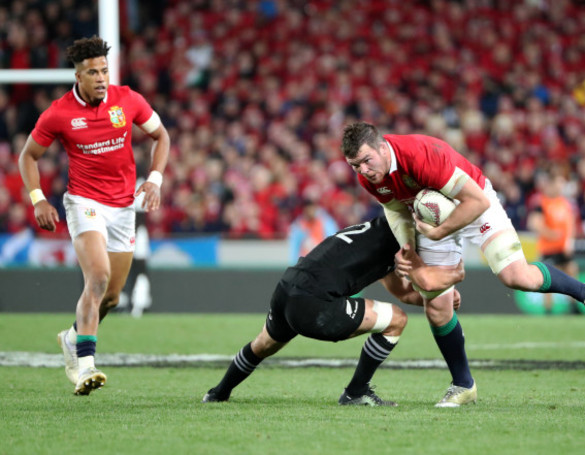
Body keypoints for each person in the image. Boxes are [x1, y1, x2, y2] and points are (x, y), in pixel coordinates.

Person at [341, 121, 585, 407]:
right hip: (430, 216)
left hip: (473, 204)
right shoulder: (369, 178)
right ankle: (463, 385)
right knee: (436, 307)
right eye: (355, 166)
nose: (363, 170)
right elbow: (396, 208)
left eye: (366, 160)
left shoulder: (420, 155)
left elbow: (476, 202)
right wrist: (409, 248)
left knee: (516, 276)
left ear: (383, 147)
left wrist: (438, 232)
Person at [18, 36, 170, 395]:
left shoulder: (128, 99)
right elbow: (28, 155)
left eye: (104, 70)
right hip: (84, 203)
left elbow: (161, 136)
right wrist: (38, 198)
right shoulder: (58, 113)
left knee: (112, 297)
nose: (101, 78)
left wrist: (154, 180)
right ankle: (84, 364)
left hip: (123, 207)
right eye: (92, 72)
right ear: (78, 76)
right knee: (97, 277)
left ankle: (72, 337)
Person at [202, 216, 464, 406]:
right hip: (314, 302)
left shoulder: (378, 230)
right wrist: (447, 284)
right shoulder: (403, 240)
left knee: (263, 344)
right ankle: (356, 391)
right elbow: (424, 281)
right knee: (397, 320)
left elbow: (404, 292)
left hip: (287, 287)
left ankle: (217, 393)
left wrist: (431, 298)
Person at [527, 172, 580, 314]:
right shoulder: (542, 202)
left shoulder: (564, 203)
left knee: (571, 273)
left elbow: (571, 224)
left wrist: (570, 241)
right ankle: (548, 309)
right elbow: (533, 223)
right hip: (548, 248)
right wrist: (550, 234)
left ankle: (573, 307)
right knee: (549, 279)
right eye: (559, 182)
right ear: (551, 184)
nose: (561, 186)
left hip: (563, 248)